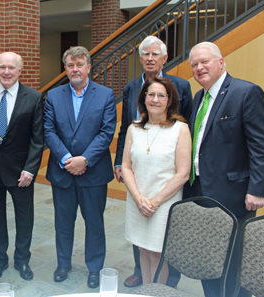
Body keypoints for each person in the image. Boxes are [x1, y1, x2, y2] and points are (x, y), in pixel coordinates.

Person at [184, 41, 264, 297]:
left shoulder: (246, 92)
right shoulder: (199, 96)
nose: (199, 68)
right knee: (207, 259)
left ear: (221, 62)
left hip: (233, 196)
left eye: (205, 61)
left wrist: (258, 189)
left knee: (234, 263)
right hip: (199, 193)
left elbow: (262, 147)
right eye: (194, 65)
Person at [115, 35, 192, 288]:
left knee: (160, 250)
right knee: (143, 246)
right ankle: (145, 283)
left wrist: (155, 201)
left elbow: (182, 170)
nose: (155, 99)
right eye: (145, 54)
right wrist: (121, 167)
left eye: (155, 54)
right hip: (139, 184)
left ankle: (163, 288)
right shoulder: (132, 98)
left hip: (164, 192)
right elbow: (125, 130)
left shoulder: (180, 120)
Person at [44, 46, 117, 288]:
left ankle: (94, 268)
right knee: (63, 223)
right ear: (65, 68)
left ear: (88, 67)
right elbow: (49, 131)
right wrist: (67, 158)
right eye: (70, 65)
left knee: (94, 223)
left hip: (93, 173)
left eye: (79, 64)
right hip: (62, 172)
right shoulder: (53, 96)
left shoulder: (105, 95)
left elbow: (106, 132)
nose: (75, 69)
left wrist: (84, 160)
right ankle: (63, 264)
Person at [0, 52, 43, 281]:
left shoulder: (34, 97)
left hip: (21, 172)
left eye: (11, 68)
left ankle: (22, 260)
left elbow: (37, 139)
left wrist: (30, 169)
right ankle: (0, 259)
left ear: (20, 70)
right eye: (2, 67)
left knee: (25, 218)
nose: (7, 72)